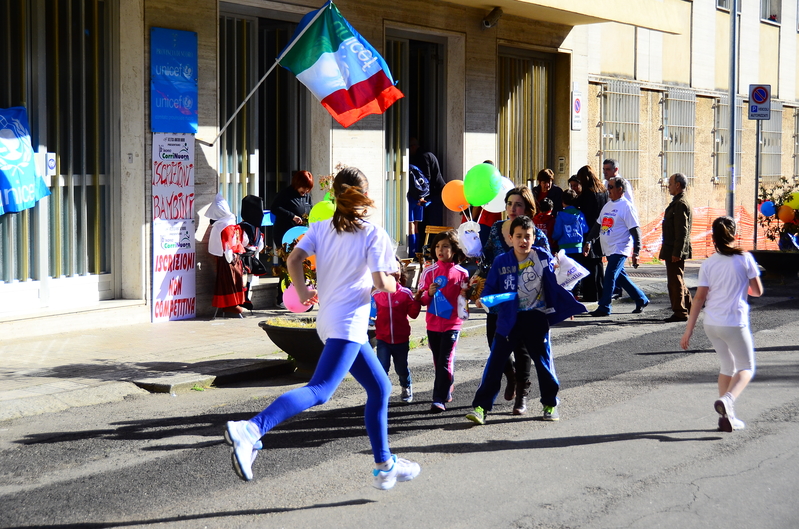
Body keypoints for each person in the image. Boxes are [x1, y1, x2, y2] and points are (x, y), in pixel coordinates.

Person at [224, 167, 421, 490]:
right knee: (320, 391)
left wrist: (302, 292)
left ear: (334, 194)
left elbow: (293, 259)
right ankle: (252, 429)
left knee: (380, 389)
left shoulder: (321, 227)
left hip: (330, 322)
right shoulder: (372, 233)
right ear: (362, 195)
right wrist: (394, 277)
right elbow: (380, 281)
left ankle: (385, 464)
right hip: (347, 322)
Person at [465, 215, 586, 425]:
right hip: (507, 320)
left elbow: (556, 284)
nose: (523, 241)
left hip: (535, 318)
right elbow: (492, 287)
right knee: (494, 364)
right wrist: (484, 300)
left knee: (543, 363)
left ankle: (550, 403)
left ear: (533, 237)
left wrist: (563, 291)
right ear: (510, 238)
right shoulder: (502, 261)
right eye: (518, 236)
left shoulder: (543, 258)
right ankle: (481, 408)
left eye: (527, 236)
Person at [680, 216, 763, 432]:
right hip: (734, 322)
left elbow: (699, 298)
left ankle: (727, 417)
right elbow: (758, 291)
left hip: (712, 324)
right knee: (746, 367)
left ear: (713, 238)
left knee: (727, 366)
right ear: (734, 235)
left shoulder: (708, 263)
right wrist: (741, 285)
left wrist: (688, 331)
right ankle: (728, 400)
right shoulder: (745, 258)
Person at [480, 186, 550, 414]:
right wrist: (477, 278)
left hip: (528, 305)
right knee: (495, 346)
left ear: (527, 208)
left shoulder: (534, 233)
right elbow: (488, 258)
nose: (512, 208)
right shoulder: (497, 228)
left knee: (523, 350)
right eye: (509, 203)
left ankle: (522, 394)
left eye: (518, 204)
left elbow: (549, 267)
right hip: (501, 299)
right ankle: (510, 376)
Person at [415, 229, 469, 412]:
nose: (440, 249)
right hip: (433, 324)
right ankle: (447, 384)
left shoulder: (462, 273)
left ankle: (438, 398)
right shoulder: (428, 272)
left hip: (453, 324)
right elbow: (421, 298)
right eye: (437, 246)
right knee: (438, 360)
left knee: (446, 358)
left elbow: (464, 299)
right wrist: (428, 293)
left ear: (454, 249)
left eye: (445, 246)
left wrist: (467, 295)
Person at [583, 176, 649, 316]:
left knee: (610, 275)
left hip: (620, 248)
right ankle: (641, 299)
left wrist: (636, 251)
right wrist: (588, 241)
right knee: (620, 277)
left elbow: (635, 231)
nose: (608, 189)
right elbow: (598, 226)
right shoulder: (608, 205)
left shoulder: (627, 207)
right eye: (608, 186)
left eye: (611, 187)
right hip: (609, 248)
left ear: (620, 189)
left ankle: (604, 306)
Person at [372, 260, 422, 403]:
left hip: (401, 339)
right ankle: (381, 392)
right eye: (388, 268)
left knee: (401, 367)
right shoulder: (376, 294)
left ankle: (406, 386)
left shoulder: (405, 293)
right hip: (382, 339)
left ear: (401, 273)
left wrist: (417, 300)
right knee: (382, 368)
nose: (393, 271)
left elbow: (413, 314)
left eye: (396, 268)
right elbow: (369, 313)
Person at [270, 170, 314, 307]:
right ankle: (282, 298)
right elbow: (274, 208)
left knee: (304, 265)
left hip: (300, 235)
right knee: (287, 265)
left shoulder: (306, 196)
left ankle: (301, 295)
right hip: (285, 235)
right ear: (297, 184)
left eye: (308, 188)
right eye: (304, 187)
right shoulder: (286, 194)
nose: (305, 191)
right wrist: (291, 216)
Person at [660, 173, 693, 323]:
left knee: (675, 281)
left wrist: (677, 252)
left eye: (671, 183)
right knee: (677, 279)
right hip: (671, 248)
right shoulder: (677, 202)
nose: (668, 186)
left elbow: (682, 230)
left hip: (675, 249)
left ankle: (680, 312)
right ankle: (690, 308)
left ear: (678, 185)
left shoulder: (680, 204)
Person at [206, 193, 246, 316]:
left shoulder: (224, 226)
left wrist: (229, 255)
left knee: (230, 281)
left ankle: (232, 304)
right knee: (229, 281)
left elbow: (228, 242)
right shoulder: (229, 224)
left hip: (229, 258)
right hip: (231, 258)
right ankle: (230, 304)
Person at [573, 165, 608, 302]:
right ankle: (601, 292)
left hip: (589, 230)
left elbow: (578, 206)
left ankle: (590, 294)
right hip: (601, 229)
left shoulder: (587, 194)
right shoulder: (603, 191)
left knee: (588, 263)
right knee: (598, 263)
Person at [410, 137, 446, 228]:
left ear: (413, 147)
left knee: (433, 222)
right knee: (433, 221)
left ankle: (435, 241)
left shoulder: (423, 156)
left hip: (434, 193)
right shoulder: (427, 154)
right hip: (437, 192)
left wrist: (422, 196)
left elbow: (426, 178)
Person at [552, 189, 588, 259]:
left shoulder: (560, 215)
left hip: (563, 248)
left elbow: (558, 232)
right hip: (578, 248)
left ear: (562, 202)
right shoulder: (580, 214)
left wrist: (554, 238)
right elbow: (585, 229)